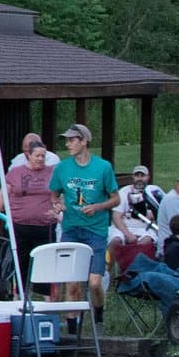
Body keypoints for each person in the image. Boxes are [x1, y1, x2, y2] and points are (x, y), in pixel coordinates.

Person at [48, 123, 117, 304]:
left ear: (84, 141)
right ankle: (73, 320)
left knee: (94, 283)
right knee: (72, 285)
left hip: (96, 231)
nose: (67, 145)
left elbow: (116, 199)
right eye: (66, 141)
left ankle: (98, 312)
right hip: (71, 229)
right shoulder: (62, 168)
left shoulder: (103, 167)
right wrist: (57, 204)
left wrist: (98, 207)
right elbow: (54, 194)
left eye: (72, 140)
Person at [0, 137, 60, 270]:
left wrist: (59, 207)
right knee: (20, 262)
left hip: (45, 225)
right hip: (19, 225)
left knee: (44, 263)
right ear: (28, 156)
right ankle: (21, 284)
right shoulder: (16, 172)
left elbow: (61, 193)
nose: (40, 159)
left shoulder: (53, 172)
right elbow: (2, 195)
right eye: (37, 156)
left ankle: (41, 284)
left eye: (43, 156)